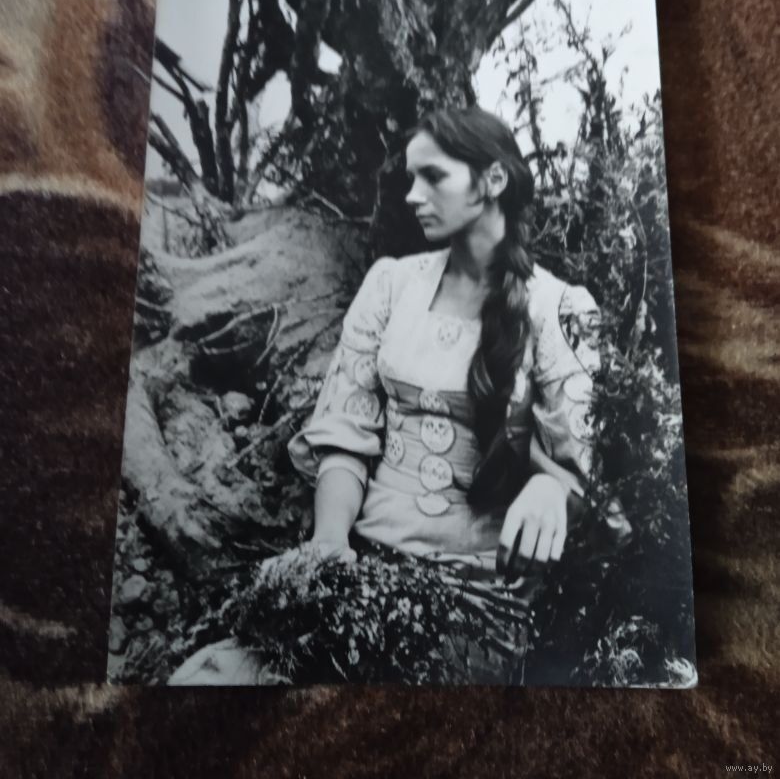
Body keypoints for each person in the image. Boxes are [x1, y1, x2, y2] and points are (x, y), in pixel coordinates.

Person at [169, 105, 608, 686]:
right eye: (410, 178)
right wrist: (329, 545)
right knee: (204, 681)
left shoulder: (559, 310)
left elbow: (583, 477)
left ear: (493, 181)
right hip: (363, 567)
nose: (412, 196)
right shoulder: (391, 285)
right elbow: (346, 435)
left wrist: (553, 487)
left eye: (433, 177)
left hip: (479, 604)